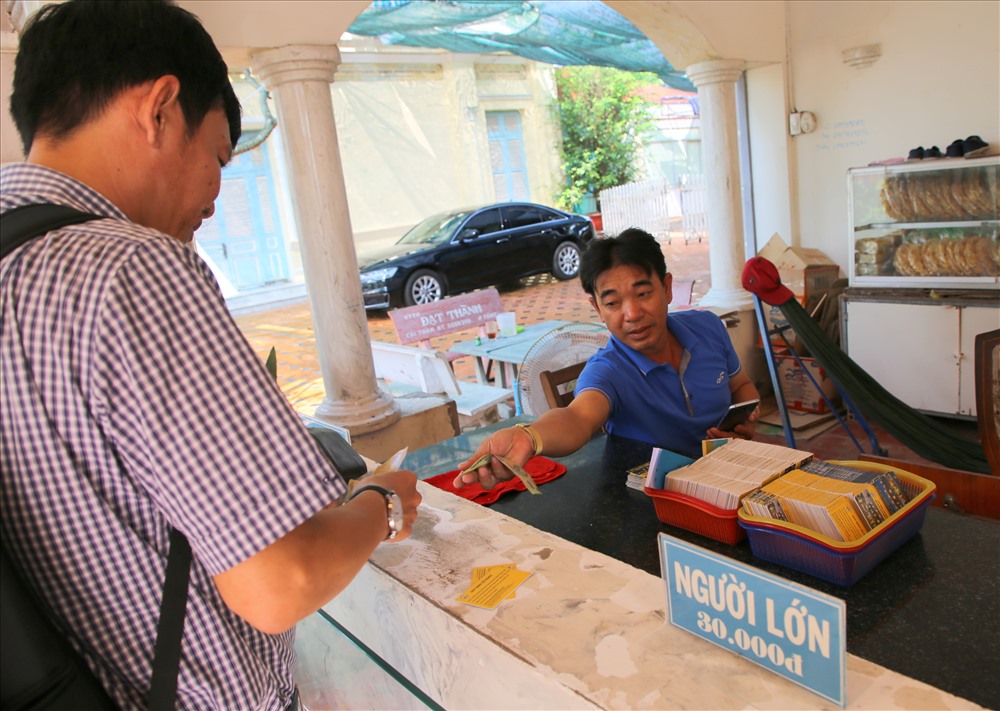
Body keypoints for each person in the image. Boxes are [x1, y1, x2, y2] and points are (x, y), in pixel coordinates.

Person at [0, 2, 420, 709]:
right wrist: (382, 503)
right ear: (160, 109)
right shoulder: (131, 269)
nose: (215, 198)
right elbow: (279, 581)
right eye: (221, 156)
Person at [456, 227, 760, 490]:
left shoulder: (707, 327)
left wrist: (746, 421)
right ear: (598, 309)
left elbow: (742, 385)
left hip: (734, 473)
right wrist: (530, 437)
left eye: (642, 294)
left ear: (666, 288)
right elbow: (577, 418)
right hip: (658, 497)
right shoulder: (607, 371)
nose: (632, 314)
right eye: (613, 302)